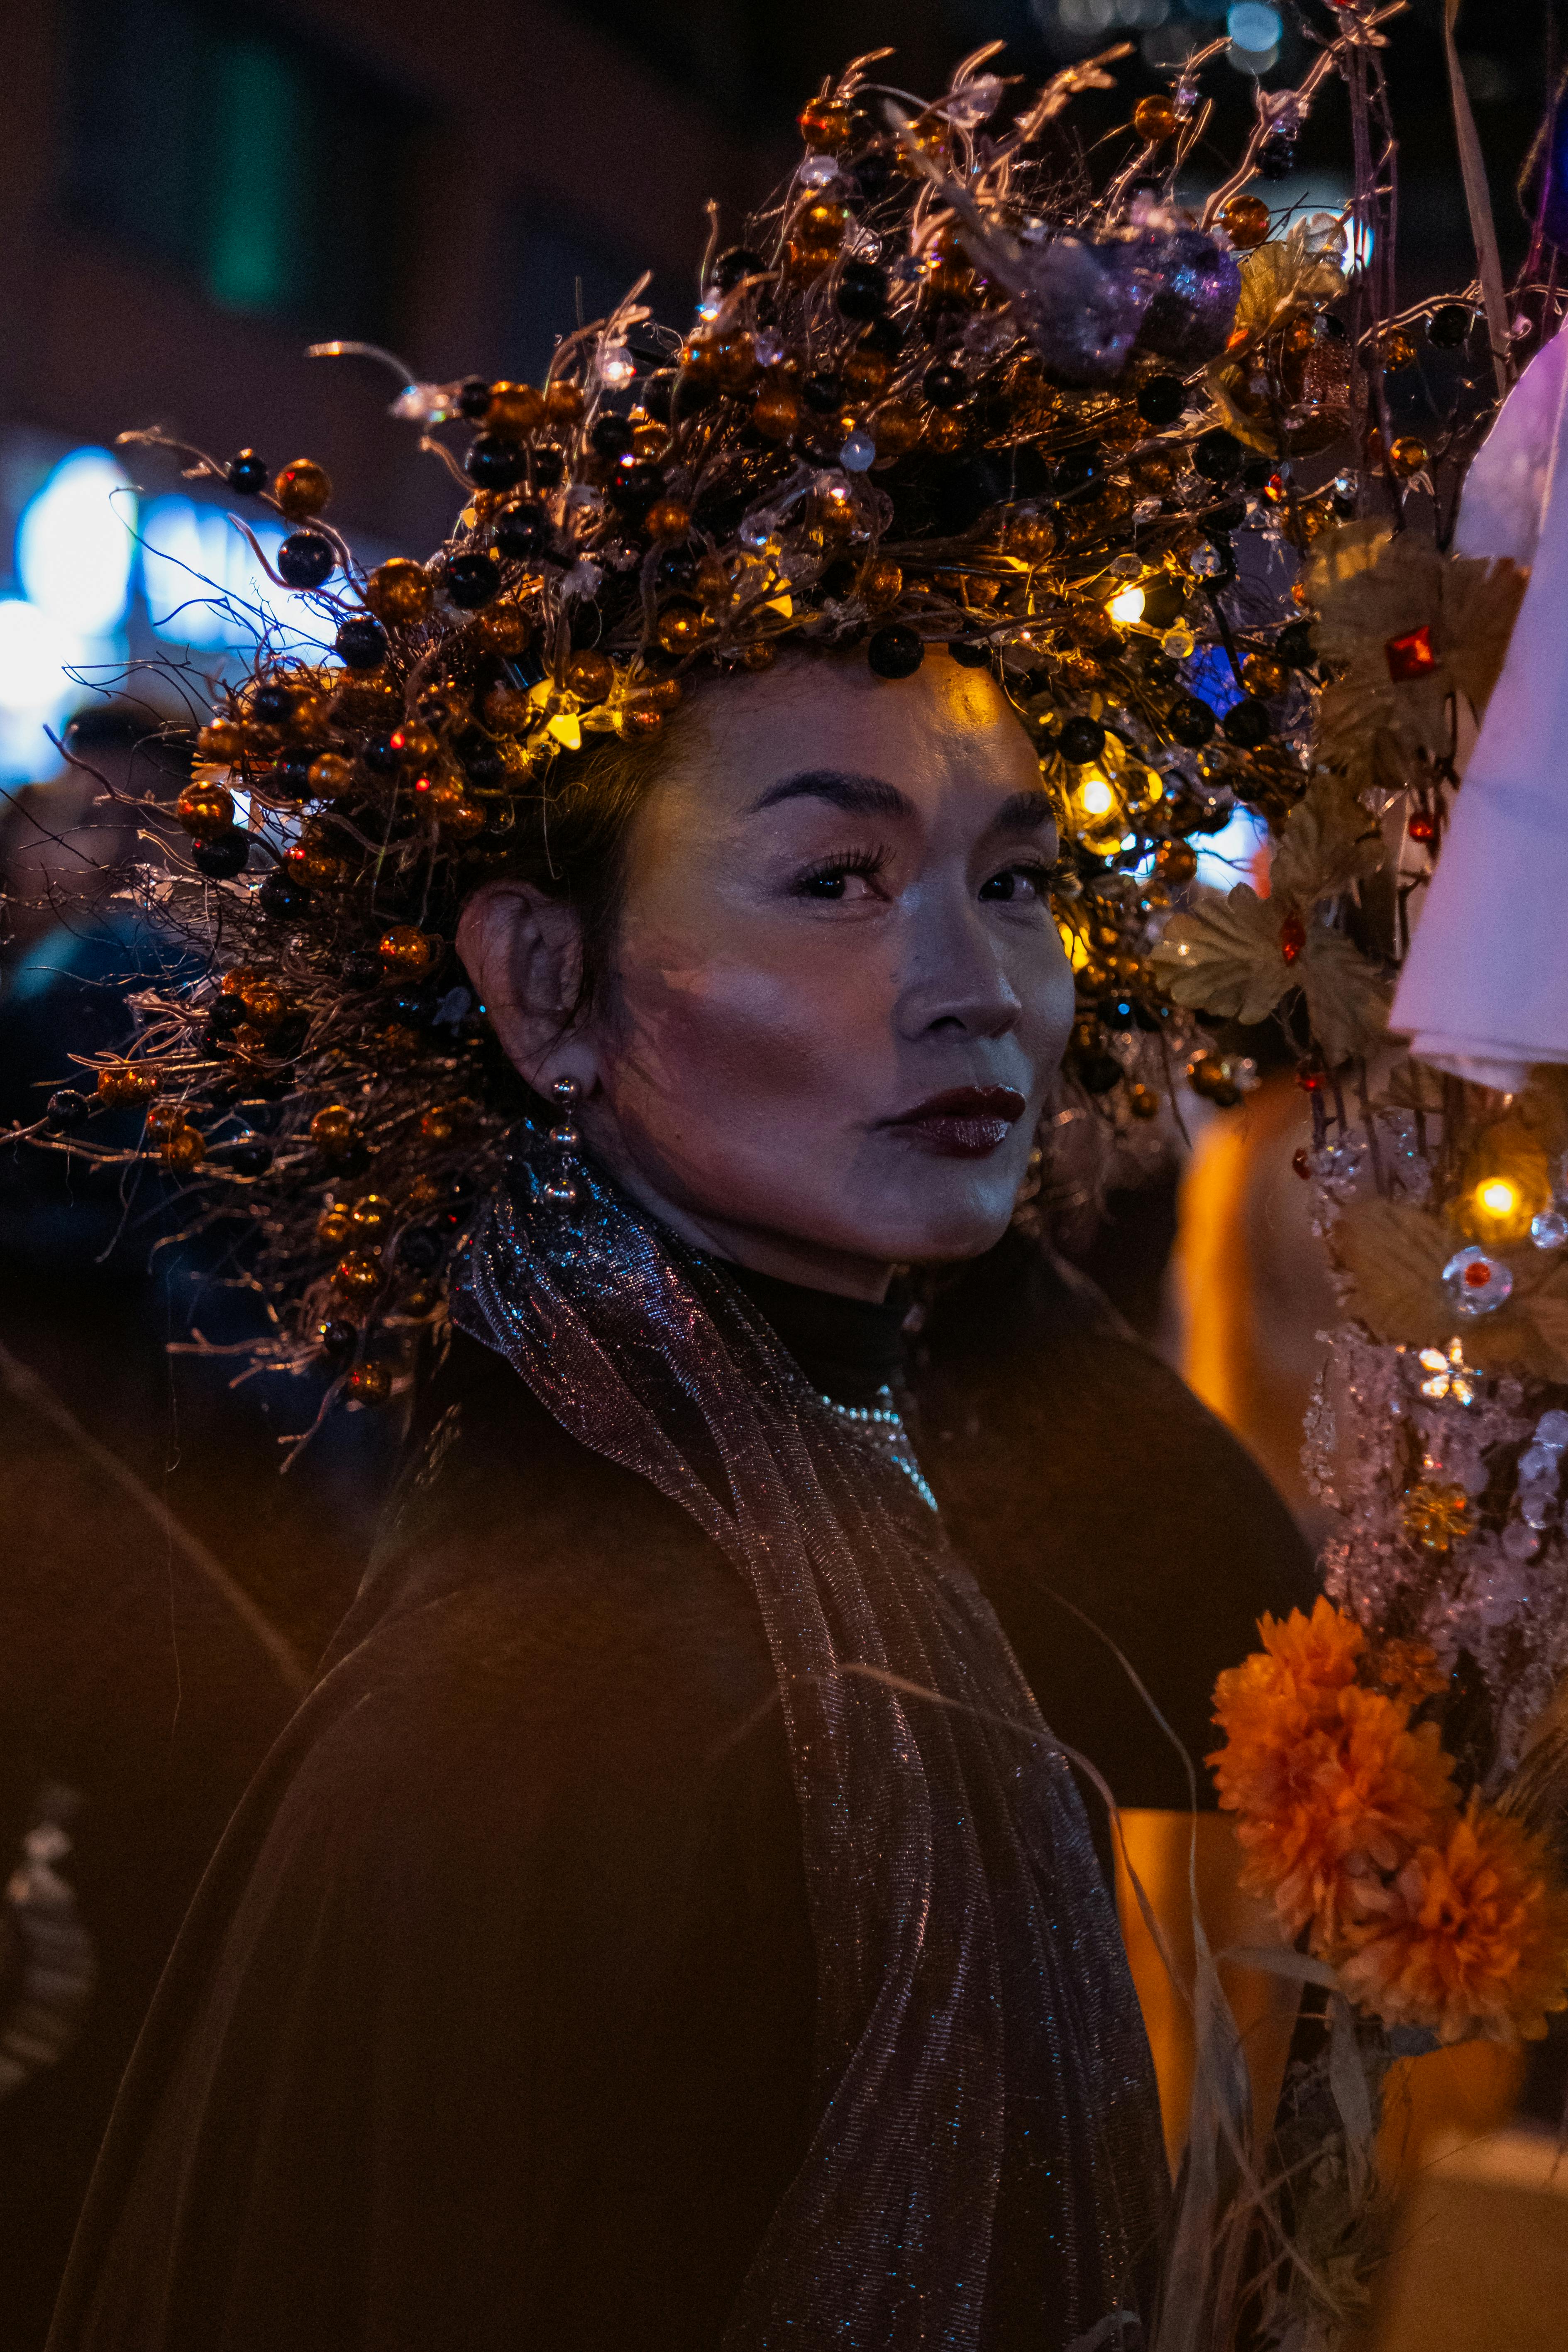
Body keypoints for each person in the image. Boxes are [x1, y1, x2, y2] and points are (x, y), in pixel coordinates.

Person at [38, 48, 1319, 2345]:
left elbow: (1237, 1661)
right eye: (836, 874)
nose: (972, 991)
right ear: (545, 984)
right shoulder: (582, 1698)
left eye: (1014, 883)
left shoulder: (850, 1490)